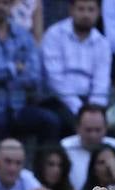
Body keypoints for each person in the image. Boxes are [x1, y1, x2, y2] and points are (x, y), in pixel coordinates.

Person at [0, 0, 59, 145]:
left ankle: (43, 166)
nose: (0, 6)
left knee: (50, 121)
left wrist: (1, 72)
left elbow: (33, 75)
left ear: (11, 6)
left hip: (18, 107)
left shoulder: (23, 35)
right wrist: (15, 69)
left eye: (5, 3)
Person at [40, 0, 110, 128]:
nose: (86, 15)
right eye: (81, 9)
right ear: (71, 10)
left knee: (105, 129)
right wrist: (80, 109)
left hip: (90, 101)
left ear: (99, 13)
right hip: (58, 99)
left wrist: (94, 110)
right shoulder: (54, 34)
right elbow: (55, 79)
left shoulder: (102, 43)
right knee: (73, 125)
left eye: (90, 10)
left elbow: (101, 82)